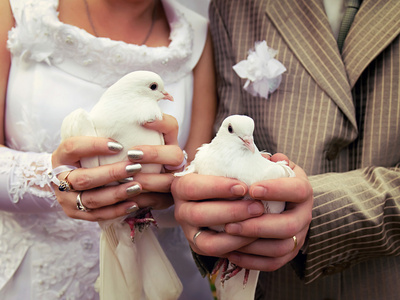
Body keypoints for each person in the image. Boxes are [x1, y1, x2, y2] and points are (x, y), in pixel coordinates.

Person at [172, 0, 400, 299]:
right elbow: (225, 134)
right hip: (273, 286)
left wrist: (309, 209)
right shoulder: (234, 6)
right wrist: (204, 209)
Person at [0, 0, 216, 299]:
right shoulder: (14, 9)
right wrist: (54, 178)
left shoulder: (198, 34)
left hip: (157, 273)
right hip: (39, 278)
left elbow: (195, 180)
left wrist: (177, 181)